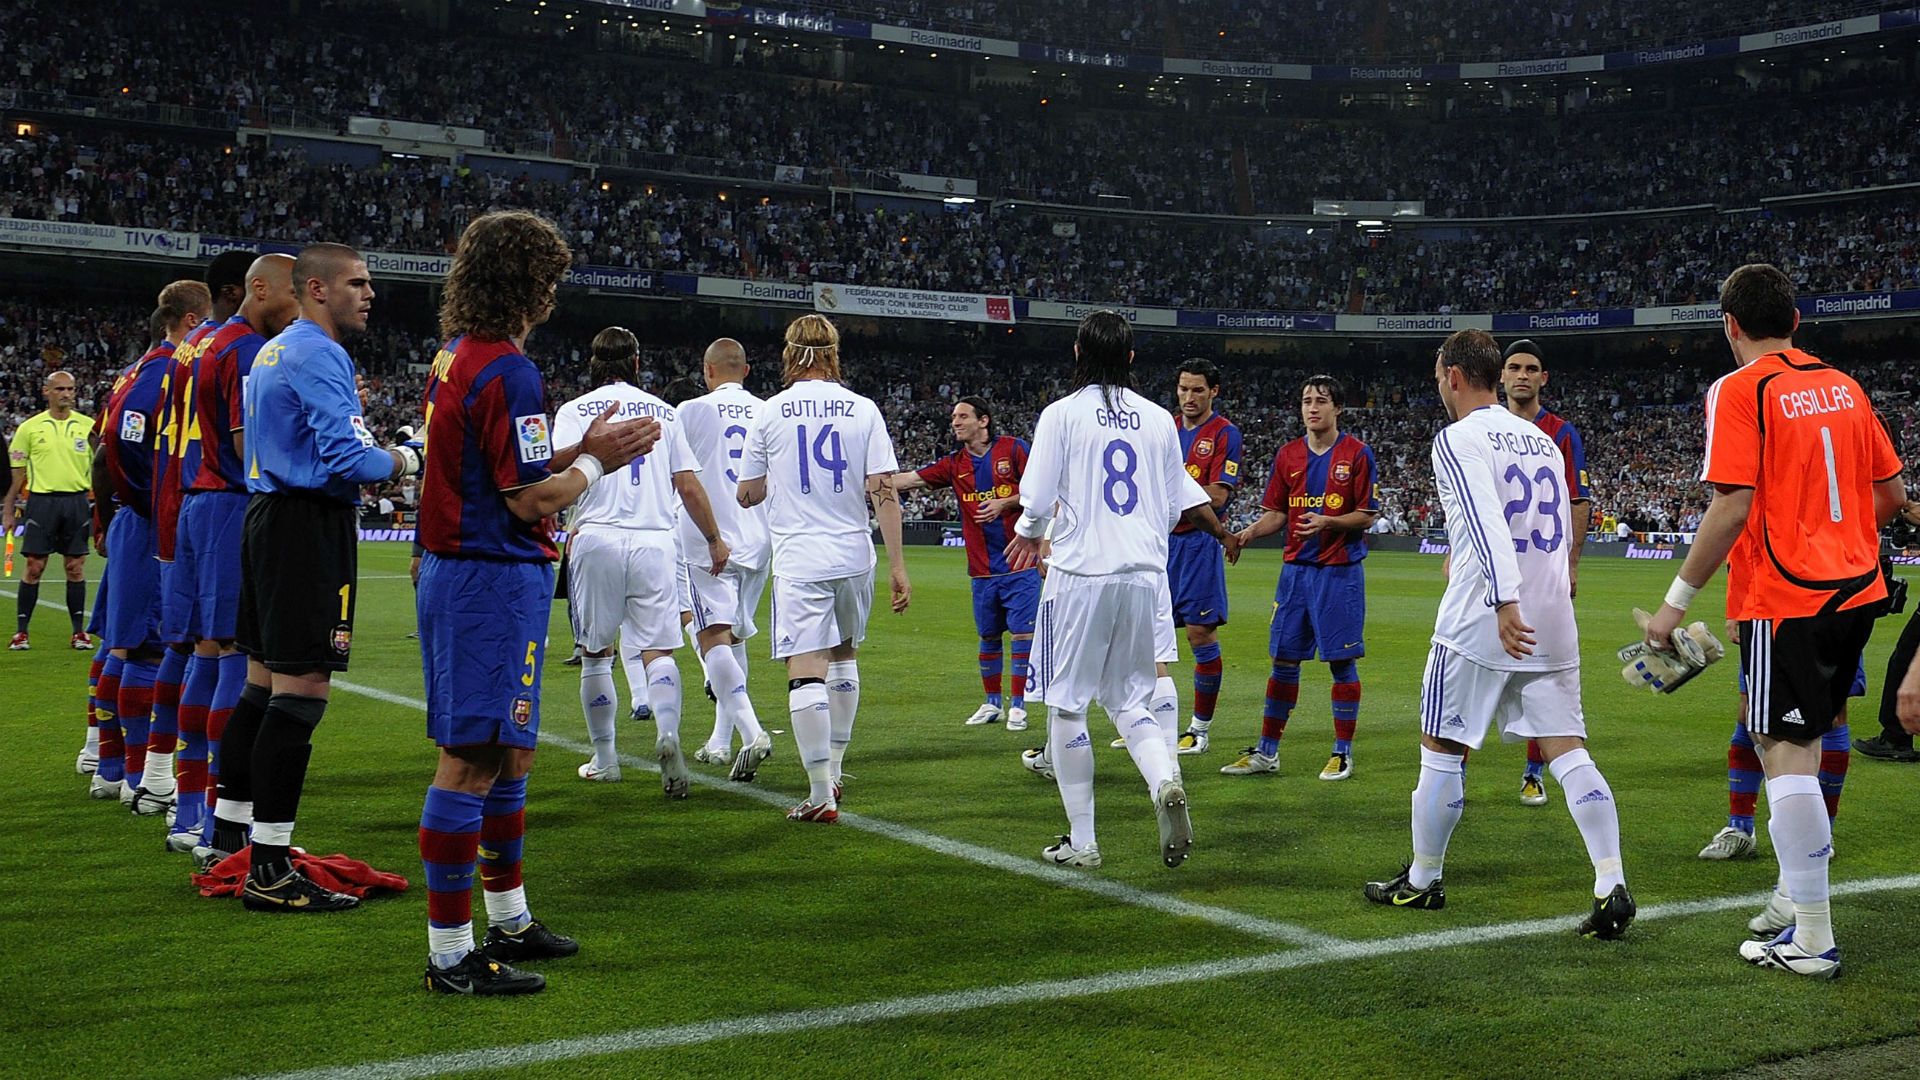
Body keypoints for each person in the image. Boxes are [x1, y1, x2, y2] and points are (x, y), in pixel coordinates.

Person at [415, 212, 656, 995]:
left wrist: (574, 455)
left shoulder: (459, 355)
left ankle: (509, 917)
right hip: (487, 574)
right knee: (473, 758)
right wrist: (596, 459)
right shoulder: (511, 371)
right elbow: (528, 501)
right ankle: (452, 957)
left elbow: (501, 468)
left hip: (474, 571)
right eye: (548, 276)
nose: (554, 291)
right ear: (527, 283)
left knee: (511, 751)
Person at [1643, 264, 1903, 979]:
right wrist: (1835, 535)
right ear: (1796, 320)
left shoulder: (1738, 388)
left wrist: (1675, 604)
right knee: (1807, 743)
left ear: (1729, 324)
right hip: (1857, 589)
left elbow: (1729, 505)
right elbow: (1892, 493)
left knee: (1781, 748)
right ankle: (1794, 895)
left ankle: (1813, 938)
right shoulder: (1845, 386)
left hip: (1789, 596)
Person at [1366, 329, 1634, 941]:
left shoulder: (1458, 438)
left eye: (1439, 373)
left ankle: (1424, 878)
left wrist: (1503, 600)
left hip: (1487, 618)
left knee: (1441, 746)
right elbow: (1560, 525)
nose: (1438, 383)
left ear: (1454, 376)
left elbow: (1488, 520)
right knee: (1569, 751)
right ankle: (1610, 880)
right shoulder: (1543, 440)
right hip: (1552, 616)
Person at [208, 242, 425, 909]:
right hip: (304, 526)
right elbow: (350, 459)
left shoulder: (274, 350)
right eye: (358, 282)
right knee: (302, 688)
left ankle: (231, 842)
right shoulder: (318, 353)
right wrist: (409, 456)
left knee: (261, 684)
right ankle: (270, 869)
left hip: (270, 519)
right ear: (316, 289)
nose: (370, 294)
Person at [1004, 310, 1241, 870]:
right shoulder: (1159, 420)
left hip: (1082, 575)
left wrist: (1028, 537)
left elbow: (1035, 497)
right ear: (1132, 359)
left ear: (1078, 355)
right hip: (1143, 576)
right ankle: (1164, 781)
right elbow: (1178, 498)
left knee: (1065, 707)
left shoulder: (1061, 414)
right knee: (1129, 698)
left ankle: (1082, 840)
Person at [736, 314, 910, 824]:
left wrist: (774, 484)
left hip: (801, 555)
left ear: (790, 353)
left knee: (805, 669)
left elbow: (747, 493)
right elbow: (884, 491)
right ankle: (834, 766)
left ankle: (819, 794)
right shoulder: (864, 409)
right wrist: (898, 565)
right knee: (845, 658)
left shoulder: (771, 413)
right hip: (854, 552)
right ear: (834, 352)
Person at [557, 327, 732, 795]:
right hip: (656, 540)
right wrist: (714, 538)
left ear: (593, 364)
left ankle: (606, 758)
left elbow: (554, 468)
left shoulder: (574, 411)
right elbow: (689, 486)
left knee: (597, 654)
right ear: (636, 363)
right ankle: (669, 733)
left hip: (597, 537)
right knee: (660, 650)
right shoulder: (665, 412)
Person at [168, 254, 298, 854]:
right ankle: (218, 819)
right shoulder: (246, 349)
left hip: (198, 497)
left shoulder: (201, 342)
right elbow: (255, 445)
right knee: (237, 658)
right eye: (294, 294)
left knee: (207, 648)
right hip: (227, 501)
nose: (300, 306)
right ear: (259, 290)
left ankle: (190, 809)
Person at [140, 251, 253, 821]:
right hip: (222, 498)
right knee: (226, 646)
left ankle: (176, 798)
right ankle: (210, 813)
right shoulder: (235, 345)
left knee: (194, 646)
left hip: (185, 498)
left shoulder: (186, 349)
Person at [1227, 376, 1377, 781]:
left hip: (1338, 573)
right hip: (1294, 574)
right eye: (1307, 400)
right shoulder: (1288, 455)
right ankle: (1267, 751)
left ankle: (1342, 752)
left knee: (1341, 663)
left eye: (1321, 401)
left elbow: (1367, 514)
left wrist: (1329, 520)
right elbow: (1278, 512)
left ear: (1338, 408)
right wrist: (1246, 534)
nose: (1312, 408)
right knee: (1283, 661)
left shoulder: (1357, 455)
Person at [88, 291, 202, 803]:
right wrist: (155, 506)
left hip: (134, 520)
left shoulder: (136, 370)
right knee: (146, 647)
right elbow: (126, 449)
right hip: (151, 522)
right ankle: (142, 776)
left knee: (122, 641)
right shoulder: (159, 375)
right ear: (192, 321)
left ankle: (108, 763)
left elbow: (100, 453)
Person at [891, 396, 1039, 731]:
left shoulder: (1014, 450)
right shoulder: (954, 463)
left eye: (962, 416)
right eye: (953, 418)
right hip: (982, 569)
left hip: (1020, 562)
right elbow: (910, 479)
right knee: (987, 635)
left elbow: (1041, 491)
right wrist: (862, 481)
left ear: (983, 421)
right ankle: (992, 703)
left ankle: (1018, 706)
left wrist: (1006, 502)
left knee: (1022, 634)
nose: (955, 422)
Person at [1501, 339, 1594, 806]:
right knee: (1474, 672)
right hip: (1492, 574)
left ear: (1543, 378)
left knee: (1540, 675)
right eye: (1514, 367)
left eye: (1531, 368)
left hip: (1541, 575)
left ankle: (1534, 771)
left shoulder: (1561, 432)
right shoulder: (1483, 430)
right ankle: (1449, 769)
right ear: (1501, 377)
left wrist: (1571, 563)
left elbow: (1578, 500)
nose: (1522, 375)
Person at [677, 338, 775, 774]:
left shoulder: (690, 411)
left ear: (708, 371)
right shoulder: (770, 411)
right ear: (746, 370)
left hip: (708, 540)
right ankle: (719, 741)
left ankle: (752, 733)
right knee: (733, 640)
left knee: (711, 638)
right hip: (759, 541)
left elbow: (679, 480)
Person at [1700, 651, 1862, 860]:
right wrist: (1735, 616)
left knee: (1831, 711)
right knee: (1751, 708)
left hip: (1830, 624)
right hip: (1766, 621)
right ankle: (1740, 828)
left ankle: (1821, 832)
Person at [1166, 360, 1242, 757]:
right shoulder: (1165, 428)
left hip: (1198, 543)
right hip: (1157, 543)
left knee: (1199, 634)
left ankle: (1199, 729)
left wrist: (1170, 488)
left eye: (1197, 390)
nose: (1189, 397)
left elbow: (1217, 496)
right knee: (1147, 639)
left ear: (1214, 391)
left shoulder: (1225, 433)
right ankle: (1150, 723)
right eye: (1183, 389)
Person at [5, 369, 94, 651]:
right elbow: (16, 476)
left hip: (78, 502)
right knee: (34, 567)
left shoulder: (88, 426)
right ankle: (21, 633)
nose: (66, 394)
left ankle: (79, 633)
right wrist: (8, 509)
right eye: (60, 389)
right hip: (41, 503)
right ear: (46, 392)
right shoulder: (29, 428)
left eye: (70, 389)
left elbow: (103, 468)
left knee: (75, 567)